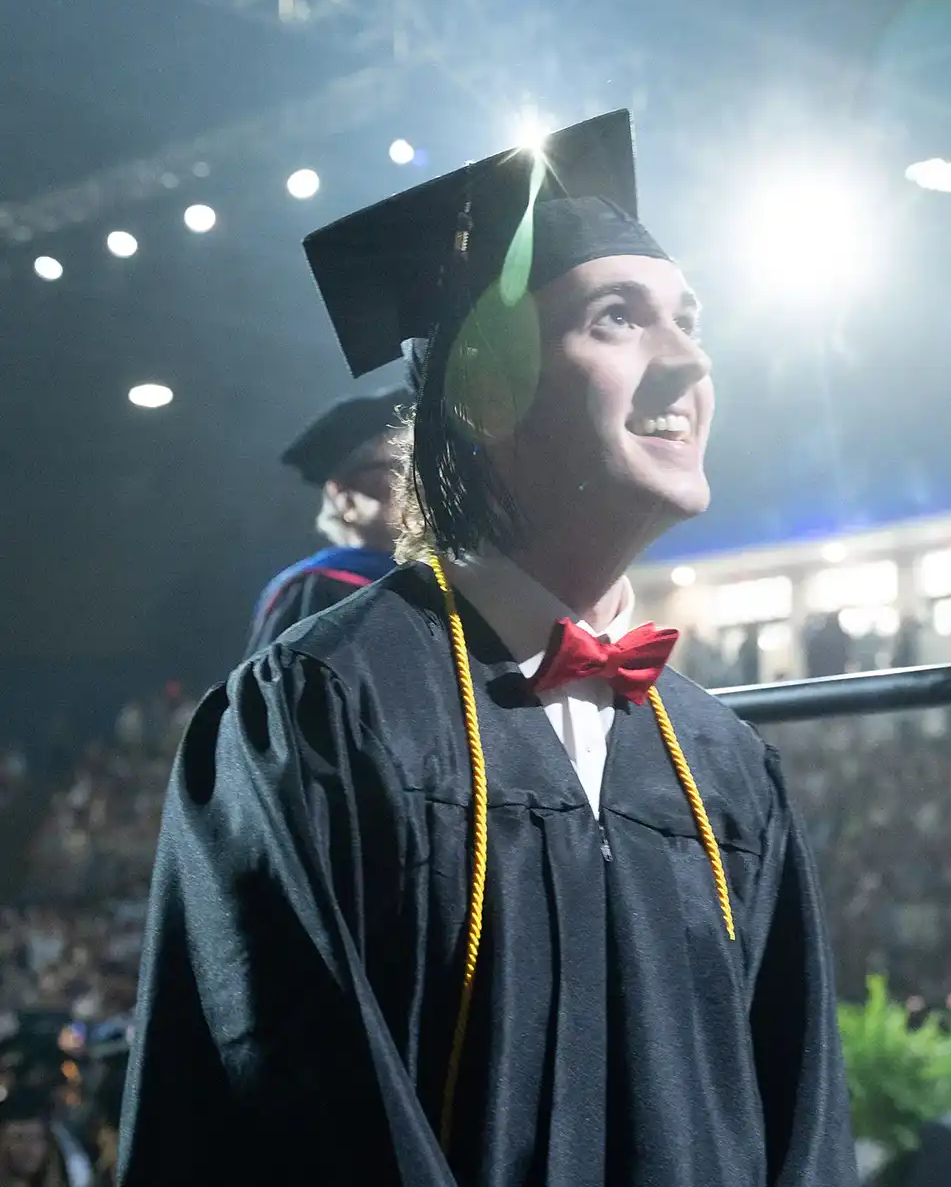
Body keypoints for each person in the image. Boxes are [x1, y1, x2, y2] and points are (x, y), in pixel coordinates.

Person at [118, 111, 857, 1185]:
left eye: (689, 321)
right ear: (487, 387)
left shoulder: (728, 766)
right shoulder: (322, 712)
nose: (688, 360)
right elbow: (288, 1104)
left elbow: (803, 1126)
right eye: (619, 318)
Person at [243, 385, 410, 655]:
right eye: (397, 467)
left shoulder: (447, 584)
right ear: (344, 495)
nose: (415, 481)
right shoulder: (319, 590)